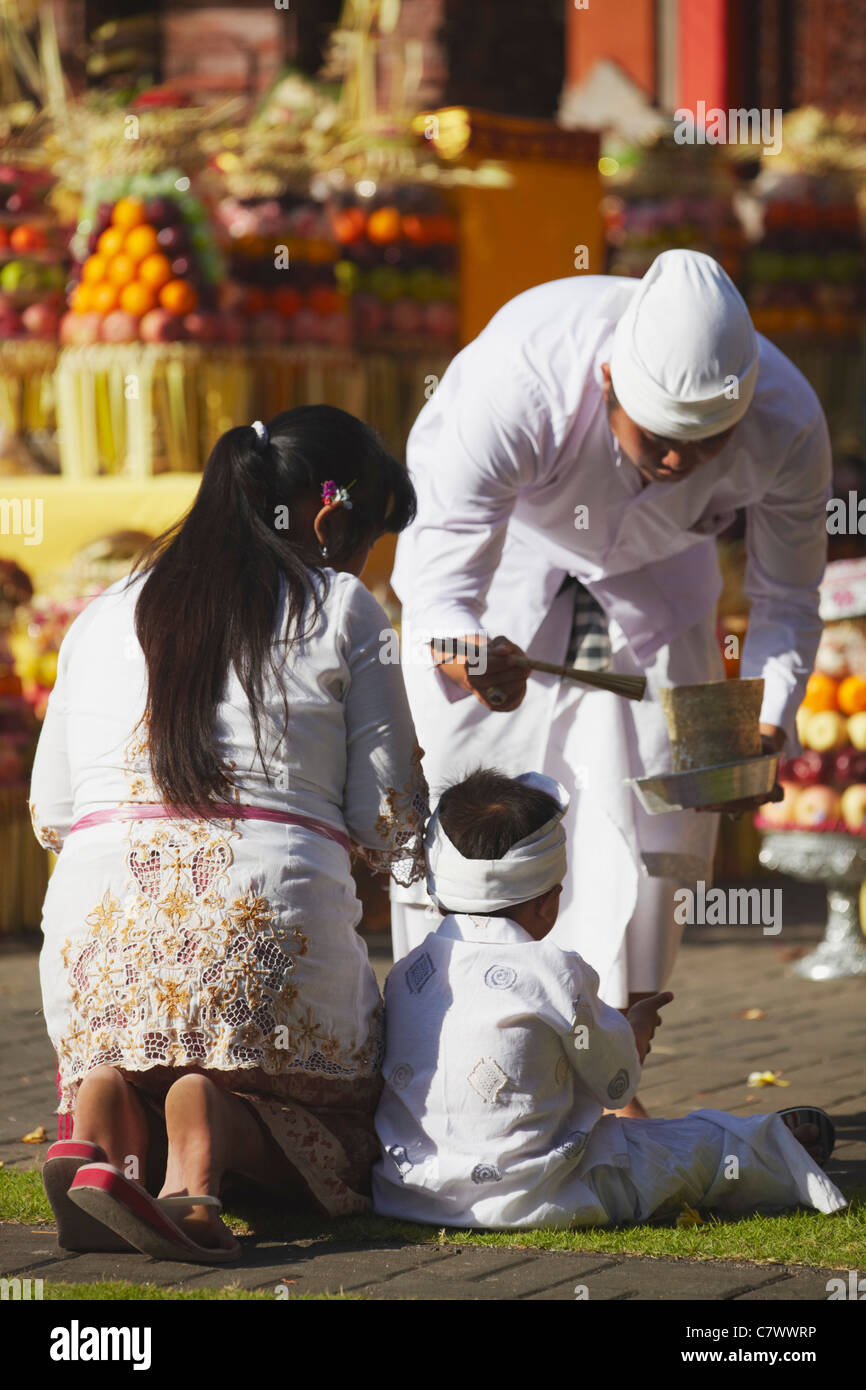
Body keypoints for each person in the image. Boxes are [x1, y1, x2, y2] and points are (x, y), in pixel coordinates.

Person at [389, 249, 830, 1116]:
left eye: (706, 446)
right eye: (657, 438)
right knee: (468, 799)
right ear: (604, 384)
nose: (678, 462)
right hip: (507, 556)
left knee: (665, 820)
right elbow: (440, 581)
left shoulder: (791, 423)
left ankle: (613, 1066)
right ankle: (437, 1052)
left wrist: (771, 722)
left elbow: (787, 597)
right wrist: (466, 651)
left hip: (668, 577)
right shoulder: (519, 379)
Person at [31, 405, 428, 1263]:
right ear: (328, 519)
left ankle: (107, 1108)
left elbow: (51, 817)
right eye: (368, 539)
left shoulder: (102, 612)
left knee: (140, 1046)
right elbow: (389, 821)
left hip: (95, 959)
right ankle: (212, 1137)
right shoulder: (345, 606)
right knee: (358, 1137)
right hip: (264, 946)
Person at [373, 769, 845, 1229]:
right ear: (547, 903)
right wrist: (633, 1032)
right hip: (538, 1194)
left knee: (630, 1137)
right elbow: (615, 1085)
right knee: (681, 1145)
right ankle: (768, 1148)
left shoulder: (405, 973)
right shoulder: (553, 971)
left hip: (412, 1191)